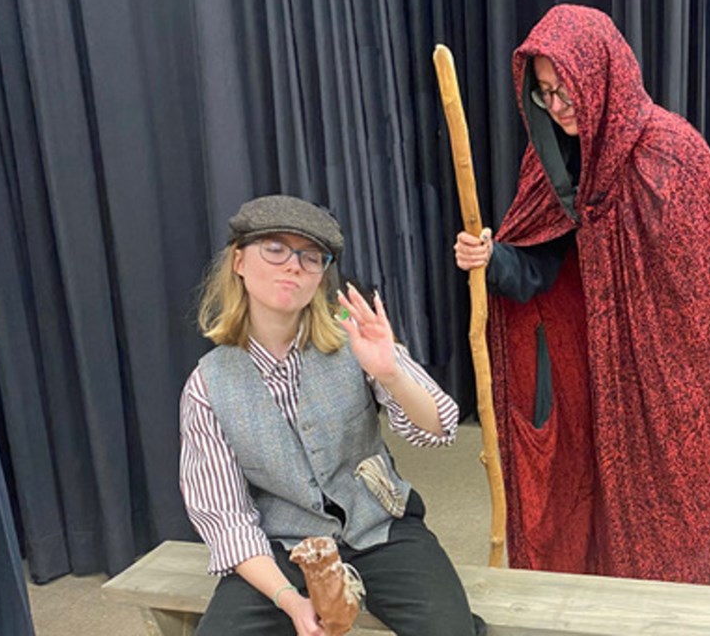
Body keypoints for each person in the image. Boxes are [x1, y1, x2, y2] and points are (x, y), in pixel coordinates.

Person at [454, 5, 710, 591]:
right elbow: (541, 268)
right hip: (603, 372)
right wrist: (492, 258)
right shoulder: (553, 157)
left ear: (600, 74)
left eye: (567, 91)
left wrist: (667, 365)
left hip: (687, 378)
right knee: (609, 502)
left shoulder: (672, 155)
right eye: (544, 95)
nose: (557, 109)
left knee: (686, 508)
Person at [181, 195, 484, 635]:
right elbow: (224, 516)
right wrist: (290, 601)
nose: (294, 266)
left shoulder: (354, 339)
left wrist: (391, 373)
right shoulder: (208, 385)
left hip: (381, 529)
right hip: (283, 546)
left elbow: (439, 429)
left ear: (321, 275)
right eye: (275, 249)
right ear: (239, 260)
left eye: (311, 257)